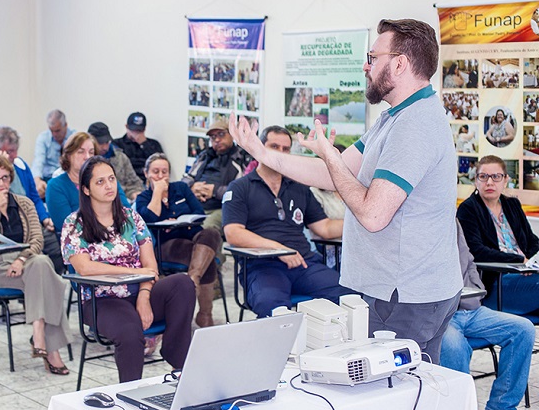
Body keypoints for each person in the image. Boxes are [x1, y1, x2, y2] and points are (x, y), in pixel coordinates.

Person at [230, 18, 463, 362]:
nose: (366, 66)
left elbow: (372, 214)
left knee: (392, 400)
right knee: (411, 397)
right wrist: (263, 154)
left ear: (399, 63)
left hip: (402, 295)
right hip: (395, 289)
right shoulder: (394, 117)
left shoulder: (414, 126)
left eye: (373, 57)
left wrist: (330, 157)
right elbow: (330, 172)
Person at [61, 156, 195, 383]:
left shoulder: (131, 217)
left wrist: (144, 294)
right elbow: (85, 268)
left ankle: (177, 355)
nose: (109, 186)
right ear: (86, 189)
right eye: (100, 182)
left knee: (183, 283)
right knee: (130, 330)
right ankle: (130, 393)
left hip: (139, 291)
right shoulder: (74, 223)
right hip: (100, 300)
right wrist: (129, 273)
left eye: (111, 179)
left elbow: (150, 266)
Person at [223, 126, 348, 316]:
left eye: (286, 149)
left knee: (349, 296)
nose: (281, 153)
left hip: (304, 263)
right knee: (273, 308)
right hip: (263, 266)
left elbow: (325, 228)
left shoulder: (299, 187)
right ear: (260, 148)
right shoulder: (240, 187)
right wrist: (279, 249)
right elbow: (233, 233)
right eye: (274, 146)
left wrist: (363, 219)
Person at [0, 155, 70, 375]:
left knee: (42, 263)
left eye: (5, 178)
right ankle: (46, 345)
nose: (1, 184)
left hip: (27, 262)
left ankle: (39, 332)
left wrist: (21, 259)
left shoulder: (24, 203)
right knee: (48, 276)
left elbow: (37, 240)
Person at [441, 222, 537, 410]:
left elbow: (469, 261)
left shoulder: (453, 222)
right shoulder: (415, 225)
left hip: (472, 307)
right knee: (454, 345)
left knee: (523, 329)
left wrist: (475, 289)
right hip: (440, 314)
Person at [135, 152, 220, 327]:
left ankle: (193, 281)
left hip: (194, 237)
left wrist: (179, 222)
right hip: (166, 245)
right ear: (146, 173)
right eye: (155, 171)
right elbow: (150, 218)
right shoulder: (143, 198)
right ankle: (205, 315)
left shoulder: (181, 188)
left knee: (211, 233)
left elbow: (199, 213)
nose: (160, 176)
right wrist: (157, 192)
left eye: (164, 172)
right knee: (207, 258)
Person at [0, 126, 61, 270]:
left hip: (26, 220)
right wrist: (1, 169)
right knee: (39, 262)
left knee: (55, 246)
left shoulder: (20, 165)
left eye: (15, 150)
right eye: (9, 151)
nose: (13, 156)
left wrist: (44, 218)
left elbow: (34, 198)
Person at [456, 155, 539, 315]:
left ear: (505, 180)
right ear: (476, 180)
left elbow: (531, 241)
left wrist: (532, 262)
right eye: (483, 176)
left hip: (526, 274)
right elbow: (476, 251)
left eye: (496, 177)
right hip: (496, 280)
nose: (489, 182)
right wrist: (519, 261)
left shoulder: (512, 204)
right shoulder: (468, 209)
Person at [46, 132, 130, 232]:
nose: (87, 157)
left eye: (91, 152)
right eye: (81, 152)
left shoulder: (108, 180)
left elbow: (126, 214)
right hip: (79, 241)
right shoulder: (56, 186)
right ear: (68, 155)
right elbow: (66, 226)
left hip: (118, 235)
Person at [182, 119, 250, 236]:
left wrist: (215, 191)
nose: (217, 140)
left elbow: (244, 191)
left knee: (206, 230)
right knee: (176, 226)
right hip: (197, 205)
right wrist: (192, 188)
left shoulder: (241, 158)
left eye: (221, 134)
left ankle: (213, 255)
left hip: (224, 208)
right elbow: (185, 179)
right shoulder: (204, 156)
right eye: (213, 137)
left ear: (232, 135)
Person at [88, 122, 144, 200]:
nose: (105, 147)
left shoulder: (120, 157)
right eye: (100, 143)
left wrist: (135, 194)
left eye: (107, 142)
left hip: (124, 200)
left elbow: (135, 182)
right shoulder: (86, 162)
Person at [112, 112, 164, 181]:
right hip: (127, 181)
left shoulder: (154, 144)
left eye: (140, 131)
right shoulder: (117, 143)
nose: (136, 134)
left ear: (144, 129)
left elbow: (159, 164)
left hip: (149, 180)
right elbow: (121, 165)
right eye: (133, 130)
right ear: (127, 127)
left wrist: (144, 144)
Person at [33, 109, 74, 194]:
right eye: (51, 130)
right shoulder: (43, 138)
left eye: (57, 130)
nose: (54, 134)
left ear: (65, 125)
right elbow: (38, 161)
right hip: (47, 179)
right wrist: (37, 181)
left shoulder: (74, 137)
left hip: (69, 179)